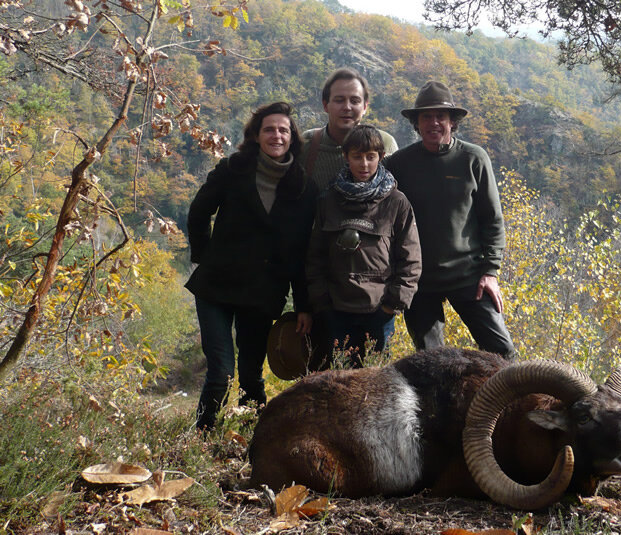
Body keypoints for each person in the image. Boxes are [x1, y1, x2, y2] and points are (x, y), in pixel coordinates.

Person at [185, 102, 317, 430]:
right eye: (269, 129)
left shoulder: (303, 186)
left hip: (263, 293)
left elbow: (302, 252)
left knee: (251, 376)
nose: (276, 135)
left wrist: (303, 304)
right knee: (221, 373)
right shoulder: (233, 169)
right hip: (216, 287)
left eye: (283, 130)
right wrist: (205, 255)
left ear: (292, 138)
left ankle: (252, 444)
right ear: (256, 136)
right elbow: (199, 212)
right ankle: (200, 439)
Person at [383, 81, 516, 360]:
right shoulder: (399, 164)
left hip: (469, 275)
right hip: (418, 280)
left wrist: (491, 272)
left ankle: (500, 404)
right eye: (426, 117)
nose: (434, 123)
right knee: (433, 362)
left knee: (503, 353)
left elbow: (493, 220)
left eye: (440, 117)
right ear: (416, 123)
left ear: (452, 122)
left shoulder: (473, 158)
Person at [306, 125, 421, 366]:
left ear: (381, 157)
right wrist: (322, 303)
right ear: (346, 157)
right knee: (338, 382)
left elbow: (411, 260)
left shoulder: (396, 202)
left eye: (371, 157)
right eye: (357, 156)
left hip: (379, 312)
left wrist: (391, 306)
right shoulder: (328, 201)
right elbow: (314, 257)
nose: (364, 164)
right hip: (336, 311)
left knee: (374, 385)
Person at [300, 67, 398, 191]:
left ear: (365, 107)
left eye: (354, 101)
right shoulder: (307, 144)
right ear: (325, 105)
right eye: (339, 100)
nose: (347, 107)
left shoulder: (385, 143)